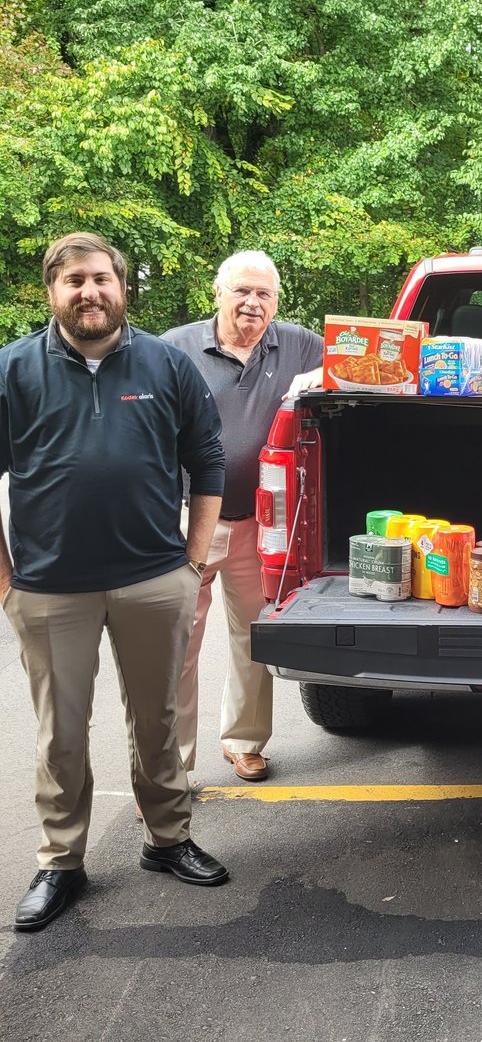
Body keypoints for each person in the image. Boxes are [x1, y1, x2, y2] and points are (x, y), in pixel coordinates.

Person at [1, 232, 229, 933]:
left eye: (101, 278)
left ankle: (168, 840)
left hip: (152, 580)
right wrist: (6, 582)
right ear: (52, 292)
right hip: (49, 588)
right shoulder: (11, 371)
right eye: (73, 281)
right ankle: (61, 862)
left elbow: (208, 460)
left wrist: (191, 561)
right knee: (60, 732)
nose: (89, 292)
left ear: (122, 286)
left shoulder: (167, 364)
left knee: (156, 719)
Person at [162, 250, 322, 783]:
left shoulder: (297, 344)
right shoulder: (175, 348)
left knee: (255, 635)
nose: (253, 304)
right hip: (188, 519)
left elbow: (356, 365)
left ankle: (245, 741)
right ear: (218, 292)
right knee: (176, 644)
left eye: (264, 295)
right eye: (242, 292)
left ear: (276, 302)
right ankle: (171, 765)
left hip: (263, 521)